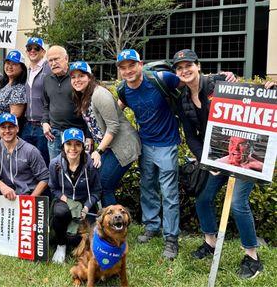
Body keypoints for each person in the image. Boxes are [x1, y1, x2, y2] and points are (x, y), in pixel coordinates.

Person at [173, 49, 264, 278]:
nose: (184, 71)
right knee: (203, 199)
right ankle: (210, 243)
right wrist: (206, 161)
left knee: (237, 203)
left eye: (188, 65)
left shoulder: (220, 82)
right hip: (216, 157)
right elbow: (191, 136)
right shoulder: (182, 98)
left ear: (198, 66)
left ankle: (252, 258)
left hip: (241, 155)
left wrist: (268, 91)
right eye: (179, 68)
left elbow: (251, 101)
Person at [115, 48, 182, 259]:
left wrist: (219, 78)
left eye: (131, 65)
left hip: (167, 144)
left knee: (169, 193)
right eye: (123, 68)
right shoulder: (123, 90)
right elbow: (118, 111)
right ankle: (152, 226)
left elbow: (190, 83)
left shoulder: (161, 79)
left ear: (140, 64)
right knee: (148, 187)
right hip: (145, 145)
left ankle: (171, 238)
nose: (128, 71)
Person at [69, 61, 140, 206]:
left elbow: (113, 126)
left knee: (104, 185)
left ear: (89, 77)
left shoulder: (99, 94)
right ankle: (100, 221)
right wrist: (90, 140)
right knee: (97, 182)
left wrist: (98, 151)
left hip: (122, 147)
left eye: (81, 76)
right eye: (73, 77)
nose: (77, 80)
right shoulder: (84, 95)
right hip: (109, 147)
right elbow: (94, 123)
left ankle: (113, 225)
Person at [0, 113, 49, 223]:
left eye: (11, 127)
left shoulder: (30, 150)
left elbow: (45, 178)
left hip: (26, 196)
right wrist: (2, 186)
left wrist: (31, 200)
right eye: (3, 127)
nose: (7, 131)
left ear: (17, 128)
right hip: (6, 194)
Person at [49, 128, 101, 264]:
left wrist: (86, 208)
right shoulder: (55, 164)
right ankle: (61, 245)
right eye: (69, 144)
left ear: (83, 146)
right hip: (64, 201)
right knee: (60, 213)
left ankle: (70, 239)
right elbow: (53, 188)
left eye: (77, 144)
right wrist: (68, 202)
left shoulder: (90, 164)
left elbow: (96, 191)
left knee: (88, 237)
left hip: (85, 202)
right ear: (63, 146)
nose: (73, 148)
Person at [42, 46, 91, 160]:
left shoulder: (77, 79)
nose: (53, 63)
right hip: (54, 134)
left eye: (56, 59)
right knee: (56, 168)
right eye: (50, 60)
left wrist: (89, 136)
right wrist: (44, 122)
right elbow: (46, 105)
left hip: (76, 133)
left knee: (77, 169)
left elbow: (89, 109)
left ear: (66, 58)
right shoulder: (47, 80)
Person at [0, 50, 27, 141]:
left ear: (22, 68)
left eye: (14, 64)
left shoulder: (19, 88)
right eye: (7, 63)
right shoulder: (2, 83)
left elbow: (13, 117)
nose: (9, 66)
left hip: (0, 135)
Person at [22, 37, 51, 165]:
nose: (32, 51)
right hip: (27, 125)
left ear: (43, 51)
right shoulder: (26, 70)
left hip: (43, 125)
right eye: (29, 48)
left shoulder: (48, 68)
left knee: (43, 162)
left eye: (36, 48)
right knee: (26, 162)